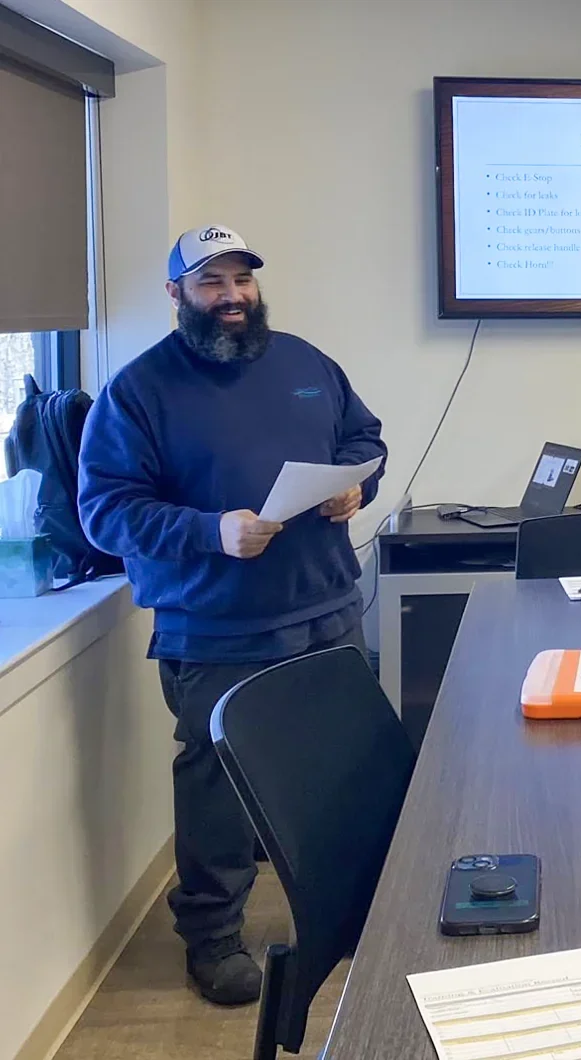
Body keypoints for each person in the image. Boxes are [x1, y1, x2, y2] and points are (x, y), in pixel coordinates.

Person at [78, 225, 387, 1006]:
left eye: (242, 280)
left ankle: (356, 914)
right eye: (211, 283)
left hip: (326, 608)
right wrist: (210, 531)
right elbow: (105, 513)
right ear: (177, 294)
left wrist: (359, 487)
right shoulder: (139, 390)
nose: (233, 298)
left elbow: (364, 436)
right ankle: (212, 938)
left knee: (341, 768)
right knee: (217, 785)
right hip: (214, 626)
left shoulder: (306, 362)